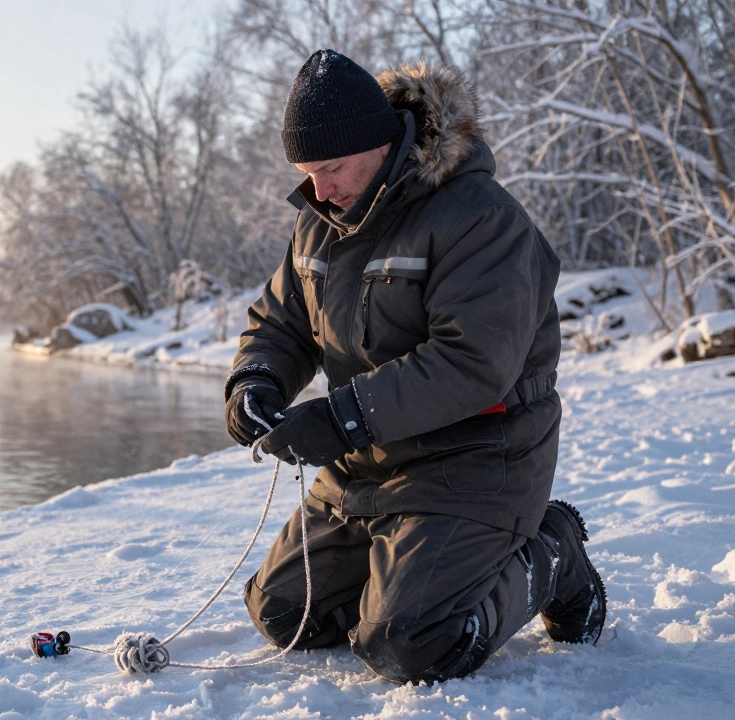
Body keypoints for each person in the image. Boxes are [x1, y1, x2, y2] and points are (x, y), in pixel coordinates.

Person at [225, 49, 606, 683]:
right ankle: (409, 565)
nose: (316, 191)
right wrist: (254, 379)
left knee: (411, 643)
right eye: (305, 171)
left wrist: (343, 419)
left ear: (381, 145)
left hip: (479, 457)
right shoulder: (321, 223)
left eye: (331, 168)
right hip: (368, 463)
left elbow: (472, 361)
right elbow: (281, 322)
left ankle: (552, 551)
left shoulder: (480, 218)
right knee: (287, 615)